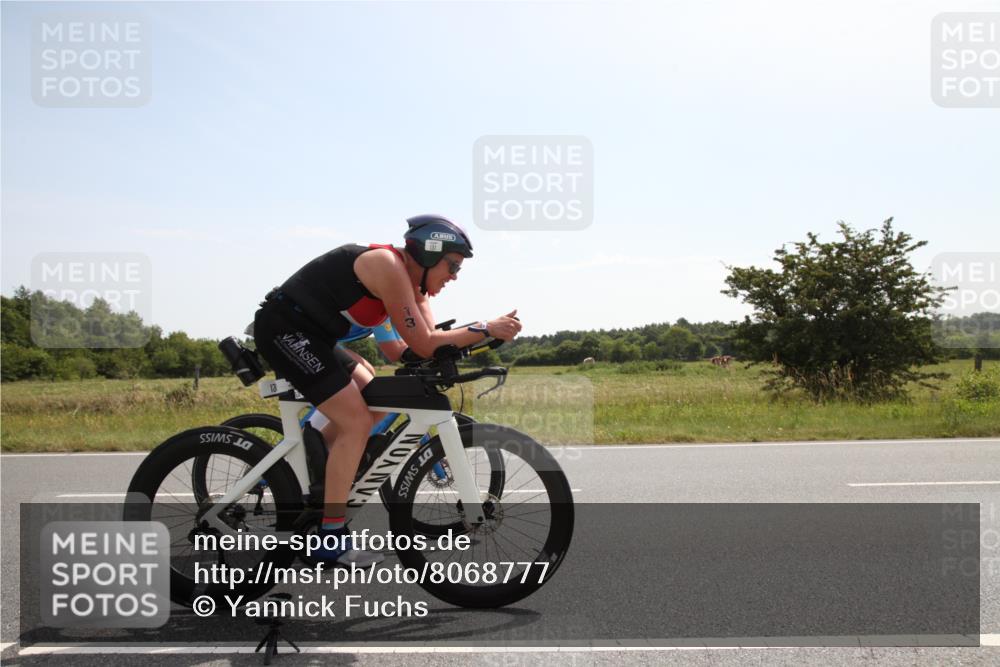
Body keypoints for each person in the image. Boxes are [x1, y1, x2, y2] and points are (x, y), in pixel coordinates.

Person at [252, 215, 522, 566]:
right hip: (284, 329)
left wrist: (479, 339)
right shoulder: (388, 266)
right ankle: (329, 538)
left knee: (374, 395)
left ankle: (320, 474)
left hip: (316, 338)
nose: (455, 275)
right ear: (428, 253)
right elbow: (424, 342)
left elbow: (424, 347)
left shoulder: (415, 289)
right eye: (452, 265)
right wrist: (486, 326)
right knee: (355, 422)